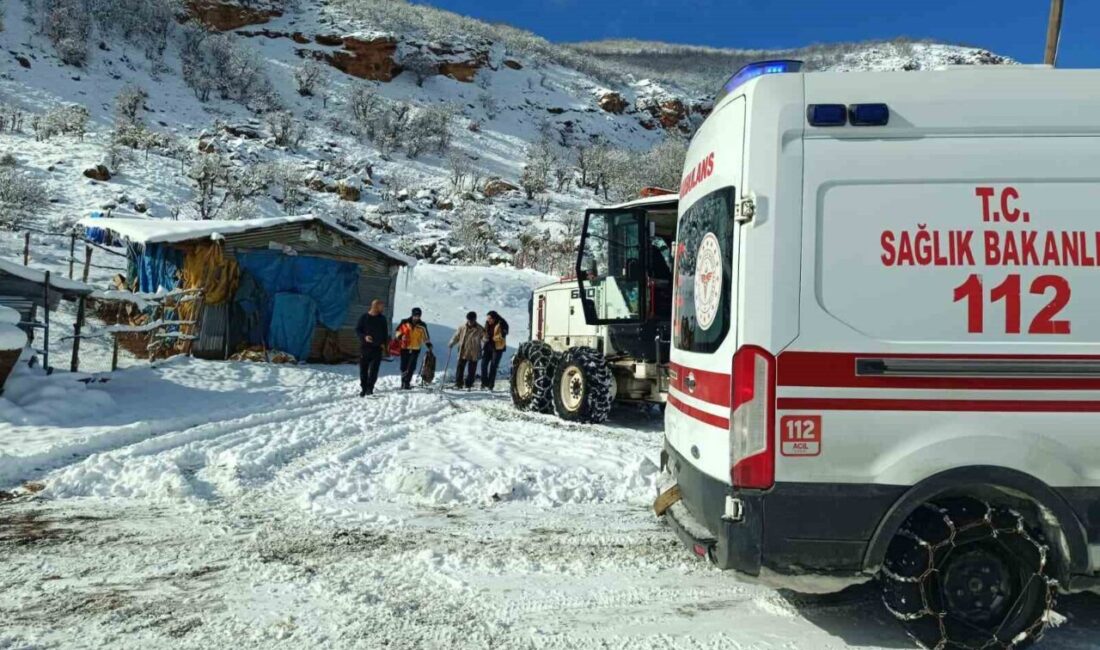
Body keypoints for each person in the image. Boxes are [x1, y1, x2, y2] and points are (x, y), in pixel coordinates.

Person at [355, 299, 389, 396]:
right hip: (365, 348)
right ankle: (364, 388)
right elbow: (358, 330)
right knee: (363, 370)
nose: (383, 308)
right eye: (381, 306)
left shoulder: (382, 319)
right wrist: (364, 337)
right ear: (375, 306)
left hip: (377, 349)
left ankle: (370, 388)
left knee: (374, 370)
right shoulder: (364, 317)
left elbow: (385, 334)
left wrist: (386, 347)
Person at [394, 307, 432, 390]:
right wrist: (401, 336)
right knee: (404, 366)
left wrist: (428, 344)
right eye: (415, 316)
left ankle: (407, 383)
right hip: (404, 347)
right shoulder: (404, 322)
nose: (416, 318)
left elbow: (425, 337)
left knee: (411, 366)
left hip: (415, 348)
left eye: (418, 316)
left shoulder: (422, 325)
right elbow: (397, 332)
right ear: (412, 315)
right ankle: (403, 382)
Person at [448, 311, 485, 390]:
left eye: (471, 320)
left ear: (475, 320)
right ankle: (458, 383)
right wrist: (452, 343)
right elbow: (456, 336)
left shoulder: (480, 329)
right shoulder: (462, 327)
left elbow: (484, 338)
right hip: (463, 350)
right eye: (468, 320)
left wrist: (486, 340)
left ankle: (469, 384)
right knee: (460, 367)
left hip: (474, 352)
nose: (470, 322)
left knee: (472, 369)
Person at [480, 310, 509, 390]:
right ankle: (484, 383)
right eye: (487, 318)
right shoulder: (487, 323)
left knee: (493, 366)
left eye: (490, 318)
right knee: (483, 364)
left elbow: (503, 335)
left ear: (494, 318)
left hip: (497, 348)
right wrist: (484, 337)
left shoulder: (502, 323)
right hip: (487, 347)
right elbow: (484, 332)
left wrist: (494, 338)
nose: (488, 320)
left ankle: (490, 385)